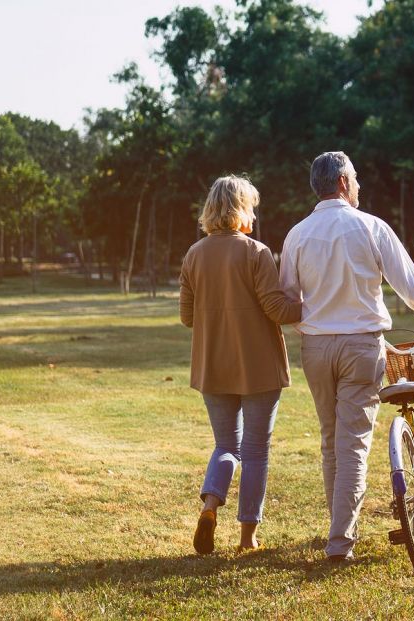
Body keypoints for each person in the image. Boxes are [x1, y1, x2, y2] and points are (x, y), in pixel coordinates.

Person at [280, 151, 414, 563]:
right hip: (361, 346)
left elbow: (288, 298)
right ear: (344, 183)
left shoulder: (297, 234)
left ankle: (337, 528)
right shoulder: (370, 227)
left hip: (315, 348)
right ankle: (339, 541)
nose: (360, 185)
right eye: (357, 178)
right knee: (353, 445)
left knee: (331, 440)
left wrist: (310, 323)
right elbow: (409, 285)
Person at [179, 175, 301, 554]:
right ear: (241, 209)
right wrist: (320, 303)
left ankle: (210, 504)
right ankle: (248, 537)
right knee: (256, 452)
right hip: (259, 367)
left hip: (213, 367)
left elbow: (187, 317)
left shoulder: (193, 255)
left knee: (226, 446)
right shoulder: (256, 252)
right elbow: (277, 309)